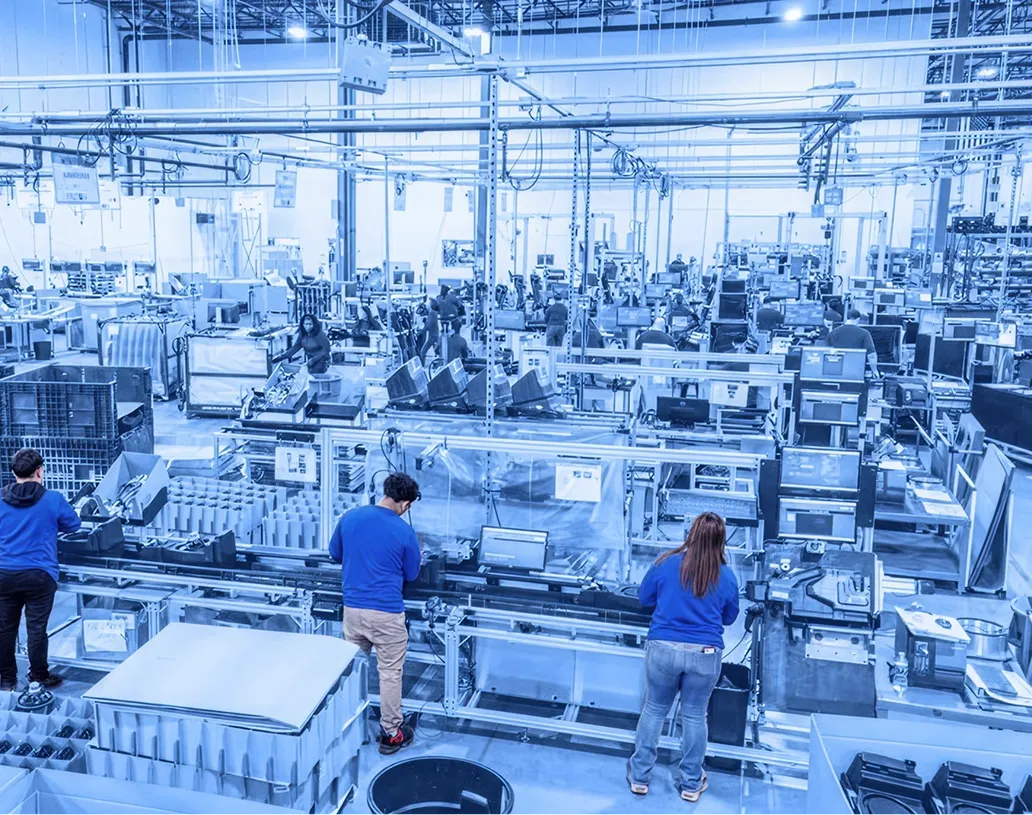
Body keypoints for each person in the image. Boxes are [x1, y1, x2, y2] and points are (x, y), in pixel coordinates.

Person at [629, 512, 740, 803]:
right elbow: (730, 618)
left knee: (654, 709)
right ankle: (691, 783)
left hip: (663, 650)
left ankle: (640, 777)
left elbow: (644, 598)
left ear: (689, 533)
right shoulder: (727, 575)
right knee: (694, 715)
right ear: (721, 541)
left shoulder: (666, 563)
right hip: (705, 655)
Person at [329, 472, 422, 755]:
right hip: (386, 614)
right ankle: (392, 733)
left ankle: (341, 728)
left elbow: (335, 553)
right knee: (390, 674)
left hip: (353, 611)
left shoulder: (350, 517)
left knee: (350, 671)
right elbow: (412, 573)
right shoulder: (404, 532)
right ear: (405, 504)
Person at [0, 449, 82, 691]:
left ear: (14, 472)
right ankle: (38, 676)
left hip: (4, 574)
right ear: (39, 471)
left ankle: (6, 681)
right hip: (39, 575)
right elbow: (74, 525)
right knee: (36, 628)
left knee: (5, 628)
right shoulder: (53, 499)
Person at [828, 308, 880, 376]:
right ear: (858, 319)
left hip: (836, 371)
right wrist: (875, 371)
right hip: (856, 372)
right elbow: (871, 355)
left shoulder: (833, 332)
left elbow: (825, 351)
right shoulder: (865, 333)